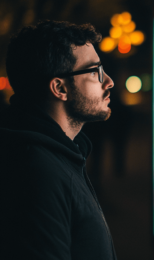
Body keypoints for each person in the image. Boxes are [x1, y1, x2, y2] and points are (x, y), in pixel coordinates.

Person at [0, 20, 116, 260]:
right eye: (95, 72)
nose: (109, 82)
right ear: (59, 88)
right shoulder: (35, 172)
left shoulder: (61, 150)